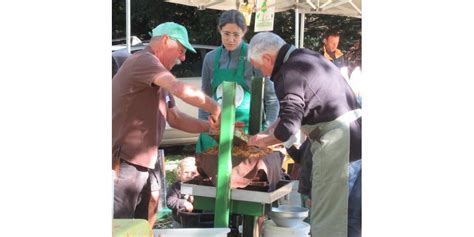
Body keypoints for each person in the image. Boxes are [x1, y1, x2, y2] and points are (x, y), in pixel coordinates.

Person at [246, 32, 362, 237]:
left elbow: (288, 128)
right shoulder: (307, 58)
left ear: (267, 58)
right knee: (351, 215)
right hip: (357, 135)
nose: (262, 73)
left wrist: (260, 141)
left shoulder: (288, 72)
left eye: (259, 67)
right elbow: (293, 112)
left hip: (338, 142)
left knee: (330, 219)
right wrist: (269, 131)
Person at [112, 22, 221, 225]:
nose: (183, 58)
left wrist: (211, 127)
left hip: (144, 162)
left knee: (144, 221)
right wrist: (215, 108)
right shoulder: (144, 61)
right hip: (126, 161)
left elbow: (175, 118)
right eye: (180, 50)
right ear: (165, 41)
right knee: (119, 225)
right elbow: (179, 87)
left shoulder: (158, 75)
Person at [196, 9, 279, 153]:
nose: (231, 39)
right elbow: (205, 98)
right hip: (217, 132)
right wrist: (206, 127)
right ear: (219, 30)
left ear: (244, 32)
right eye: (226, 33)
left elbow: (271, 99)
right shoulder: (210, 58)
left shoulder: (254, 57)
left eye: (236, 34)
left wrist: (265, 132)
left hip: (248, 133)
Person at [166, 157, 199, 228]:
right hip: (180, 220)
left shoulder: (200, 186)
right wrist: (183, 203)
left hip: (197, 220)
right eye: (186, 172)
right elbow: (170, 201)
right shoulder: (176, 187)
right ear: (179, 173)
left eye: (193, 173)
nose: (189, 175)